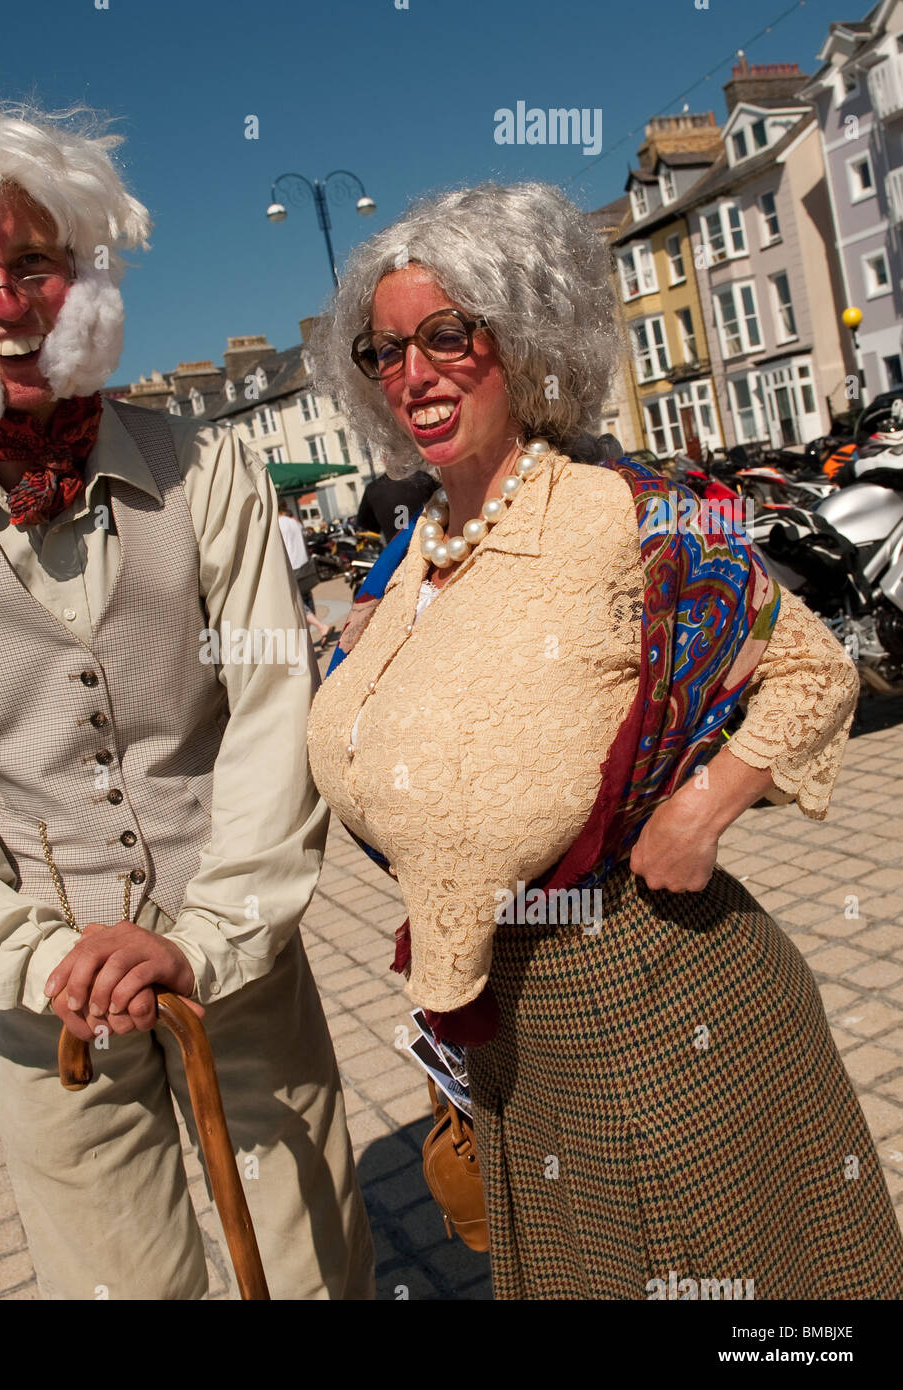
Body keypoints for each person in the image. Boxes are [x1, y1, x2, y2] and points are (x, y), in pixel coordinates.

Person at [0, 72, 373, 1301]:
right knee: (122, 1289)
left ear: (86, 278)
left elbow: (272, 711)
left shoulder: (203, 472)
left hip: (238, 962)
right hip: (43, 1006)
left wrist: (204, 940)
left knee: (315, 1269)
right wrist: (44, 962)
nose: (7, 305)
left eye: (36, 264)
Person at [305, 182, 903, 1299]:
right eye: (384, 351)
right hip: (515, 1038)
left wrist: (701, 808)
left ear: (523, 338)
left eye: (447, 334)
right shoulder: (410, 555)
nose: (413, 373)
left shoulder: (624, 506)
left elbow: (812, 665)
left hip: (660, 993)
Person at [277, 498, 335, 647]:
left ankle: (321, 627)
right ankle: (311, 637)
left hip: (292, 566)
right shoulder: (295, 522)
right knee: (306, 598)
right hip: (304, 564)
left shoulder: (278, 524)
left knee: (297, 602)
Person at [354, 468, 438, 543]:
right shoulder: (422, 478)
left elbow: (365, 523)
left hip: (395, 551)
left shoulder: (372, 488)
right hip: (428, 545)